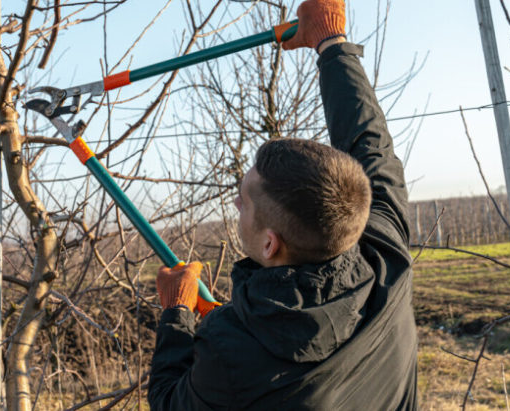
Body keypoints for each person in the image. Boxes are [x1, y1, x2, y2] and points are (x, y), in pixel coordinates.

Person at [147, 0, 418, 409]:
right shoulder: (386, 258)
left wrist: (175, 316)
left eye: (245, 201)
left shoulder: (231, 350)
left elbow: (170, 403)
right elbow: (369, 145)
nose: (237, 201)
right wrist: (332, 42)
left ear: (271, 244)